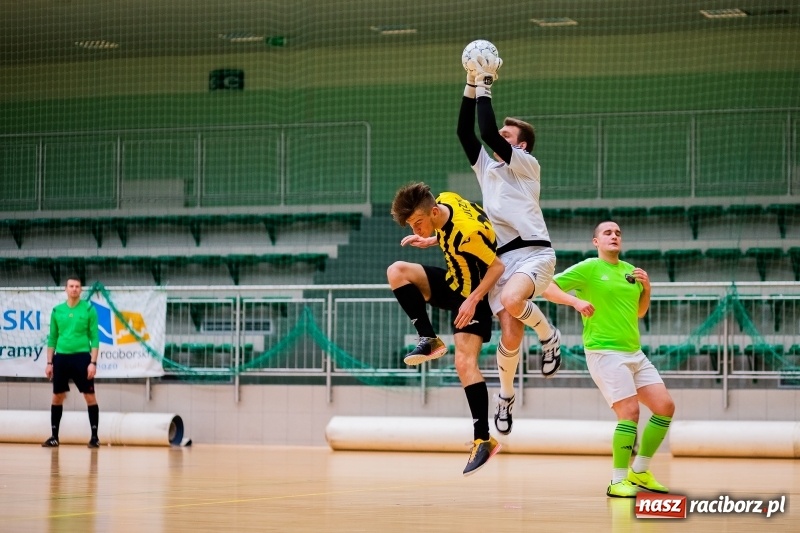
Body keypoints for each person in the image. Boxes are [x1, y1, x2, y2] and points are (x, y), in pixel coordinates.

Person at [456, 50, 561, 436]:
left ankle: (550, 335)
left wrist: (485, 83)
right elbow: (467, 134)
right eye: (502, 133)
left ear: (522, 147)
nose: (499, 137)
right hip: (504, 261)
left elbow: (485, 133)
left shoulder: (525, 166)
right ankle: (506, 396)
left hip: (535, 252)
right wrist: (470, 84)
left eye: (507, 135)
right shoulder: (489, 169)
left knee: (517, 304)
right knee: (511, 334)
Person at [541, 221, 675, 498]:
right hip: (605, 351)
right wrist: (576, 302)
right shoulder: (589, 267)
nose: (614, 236)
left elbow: (639, 313)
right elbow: (547, 287)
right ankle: (617, 481)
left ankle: (640, 470)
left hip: (634, 353)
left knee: (665, 407)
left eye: (618, 233)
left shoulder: (630, 271)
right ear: (596, 242)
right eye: (607, 233)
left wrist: (647, 289)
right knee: (629, 414)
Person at [387, 182, 505, 475]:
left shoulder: (468, 234)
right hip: (453, 281)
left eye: (418, 224)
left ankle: (483, 440)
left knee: (464, 363)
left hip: (474, 296)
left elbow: (497, 267)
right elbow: (447, 229)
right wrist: (430, 239)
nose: (415, 230)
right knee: (397, 271)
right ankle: (429, 338)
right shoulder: (445, 200)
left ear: (432, 211)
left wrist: (474, 300)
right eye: (412, 226)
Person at [42, 276, 101, 448]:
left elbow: (95, 338)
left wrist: (93, 362)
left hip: (82, 358)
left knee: (89, 396)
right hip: (61, 358)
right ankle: (54, 437)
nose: (74, 289)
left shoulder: (89, 309)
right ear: (66, 289)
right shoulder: (57, 311)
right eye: (71, 286)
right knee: (57, 396)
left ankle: (95, 437)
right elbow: (52, 338)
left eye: (77, 286)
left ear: (81, 289)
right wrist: (49, 362)